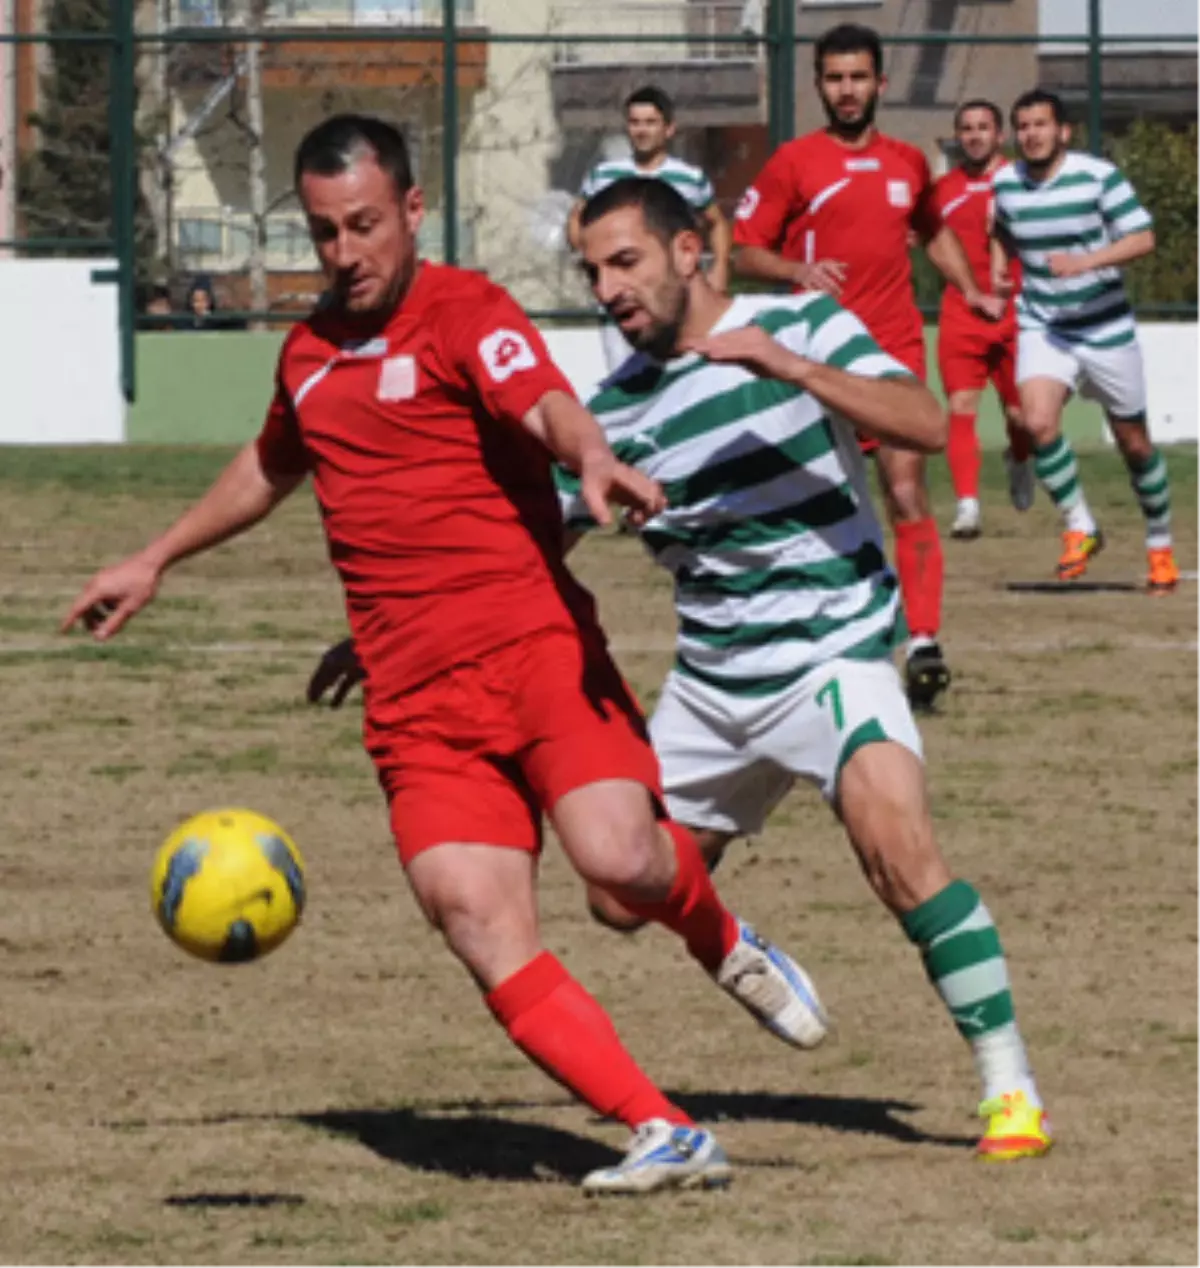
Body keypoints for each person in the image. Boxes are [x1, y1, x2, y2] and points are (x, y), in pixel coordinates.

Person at [61, 116, 832, 1197]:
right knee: (477, 918)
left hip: (532, 648)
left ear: (413, 210)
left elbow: (546, 401)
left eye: (365, 226)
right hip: (416, 701)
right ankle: (663, 1128)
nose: (345, 255)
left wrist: (597, 456)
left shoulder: (465, 311)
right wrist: (156, 558)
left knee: (620, 861)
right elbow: (272, 463)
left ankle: (721, 935)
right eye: (325, 233)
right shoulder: (308, 354)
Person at [311, 176, 1054, 1162]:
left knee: (895, 845)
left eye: (626, 262)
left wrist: (787, 364)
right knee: (617, 897)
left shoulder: (801, 324)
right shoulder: (615, 411)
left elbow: (919, 420)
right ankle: (741, 941)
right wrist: (393, 630)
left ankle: (1009, 1088)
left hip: (832, 655)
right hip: (713, 686)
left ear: (692, 250)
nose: (608, 287)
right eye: (592, 271)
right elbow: (532, 541)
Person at [730, 23, 1007, 712]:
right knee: (822, 504)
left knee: (906, 490)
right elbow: (743, 251)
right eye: (834, 78)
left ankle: (922, 643)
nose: (846, 90)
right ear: (820, 84)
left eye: (858, 77)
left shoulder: (911, 162)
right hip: (817, 356)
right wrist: (796, 269)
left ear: (880, 83)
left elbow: (934, 230)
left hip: (893, 352)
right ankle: (821, 638)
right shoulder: (793, 163)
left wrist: (970, 288)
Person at [991, 90, 1178, 590]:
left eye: (1041, 125)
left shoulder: (1098, 177)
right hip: (1044, 325)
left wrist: (1086, 262)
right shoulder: (1005, 183)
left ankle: (1159, 543)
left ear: (1063, 132)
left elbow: (1143, 237)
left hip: (1106, 327)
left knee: (1134, 444)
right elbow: (1002, 229)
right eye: (1023, 126)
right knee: (1036, 420)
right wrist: (997, 270)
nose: (1031, 134)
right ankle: (1080, 525)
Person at [567, 85, 732, 371]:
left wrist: (720, 269)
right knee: (625, 373)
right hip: (622, 299)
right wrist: (593, 260)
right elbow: (576, 219)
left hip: (673, 294)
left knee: (682, 370)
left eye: (650, 122)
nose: (641, 130)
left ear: (669, 129)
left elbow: (717, 224)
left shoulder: (689, 178)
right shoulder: (604, 175)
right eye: (634, 122)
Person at [931, 100, 1035, 539]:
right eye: (966, 129)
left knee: (1021, 416)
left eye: (983, 128)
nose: (974, 135)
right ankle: (968, 507)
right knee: (960, 408)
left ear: (1000, 135)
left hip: (1017, 312)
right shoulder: (940, 190)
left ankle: (1020, 458)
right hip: (962, 313)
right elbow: (931, 243)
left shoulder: (1023, 182)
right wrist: (971, 292)